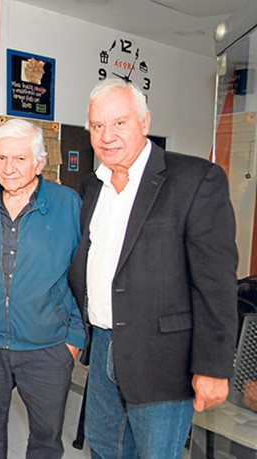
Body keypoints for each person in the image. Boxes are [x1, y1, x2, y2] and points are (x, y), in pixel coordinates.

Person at [67, 79, 238, 458]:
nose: (107, 136)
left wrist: (213, 366)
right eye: (97, 126)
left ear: (145, 123)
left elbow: (216, 283)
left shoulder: (195, 180)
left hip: (162, 359)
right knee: (104, 449)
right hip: (103, 346)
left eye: (120, 123)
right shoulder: (93, 187)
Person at [0, 118, 85, 458]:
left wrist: (74, 338)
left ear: (39, 162)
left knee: (46, 439)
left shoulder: (68, 205)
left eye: (20, 158)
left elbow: (85, 276)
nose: (9, 168)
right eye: (2, 158)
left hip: (48, 348)